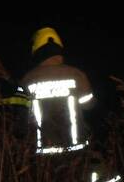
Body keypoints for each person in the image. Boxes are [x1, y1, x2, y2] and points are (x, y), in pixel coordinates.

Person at [20, 27, 94, 155]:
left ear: (36, 51)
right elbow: (89, 105)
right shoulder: (76, 75)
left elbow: (21, 114)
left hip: (42, 156)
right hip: (76, 151)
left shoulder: (27, 79)